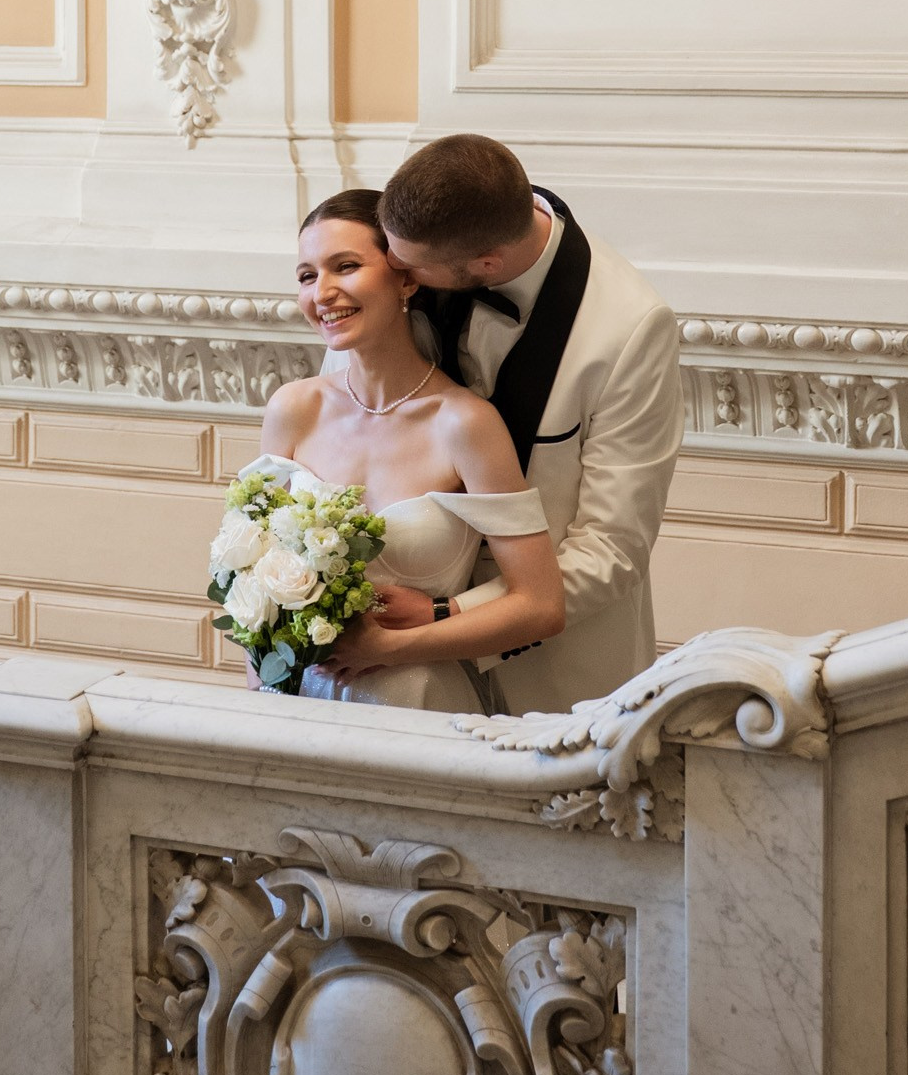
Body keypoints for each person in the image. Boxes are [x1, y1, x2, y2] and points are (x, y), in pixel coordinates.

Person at [374, 135, 681, 714]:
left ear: (486, 265)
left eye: (410, 265)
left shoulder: (631, 328)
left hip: (555, 678)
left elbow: (612, 548)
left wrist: (447, 618)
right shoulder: (407, 254)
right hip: (399, 673)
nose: (392, 272)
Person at [251, 192, 565, 712]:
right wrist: (261, 701)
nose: (323, 293)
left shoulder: (464, 423)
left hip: (420, 704)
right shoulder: (293, 408)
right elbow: (251, 578)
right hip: (298, 704)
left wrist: (389, 647)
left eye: (346, 267)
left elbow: (540, 606)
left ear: (406, 278)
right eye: (307, 276)